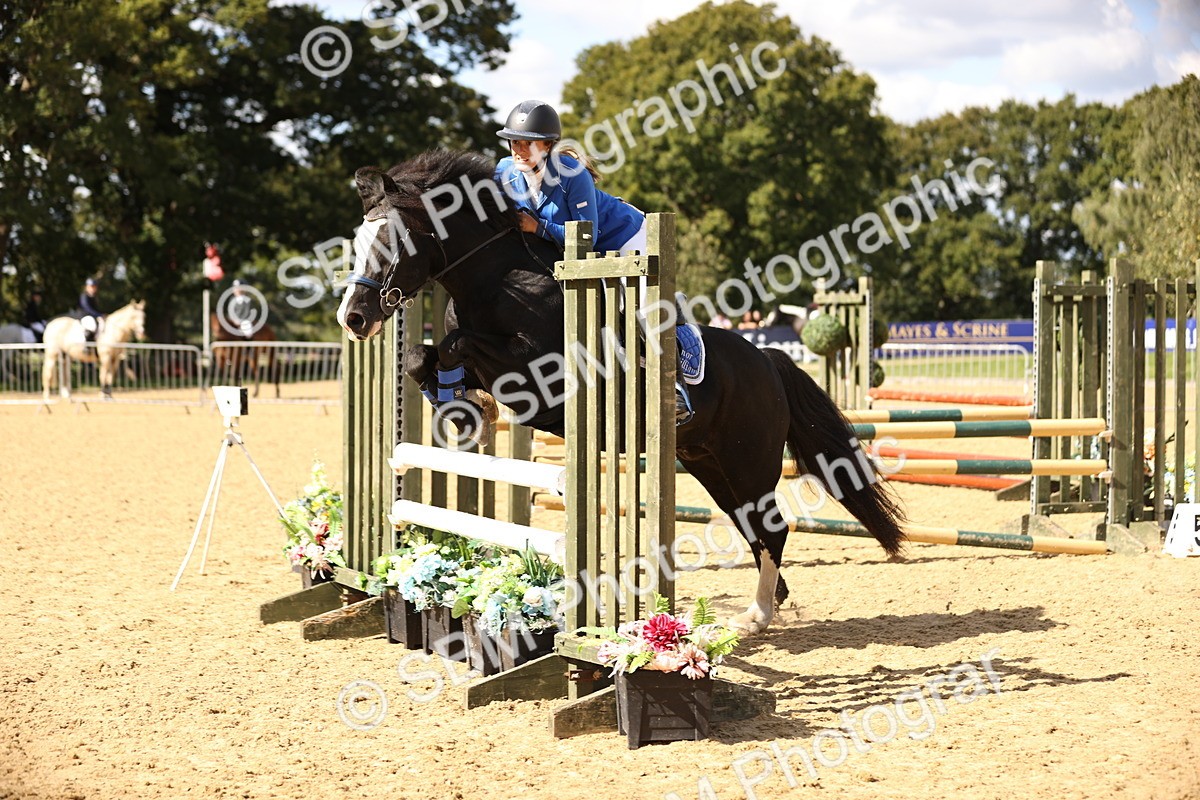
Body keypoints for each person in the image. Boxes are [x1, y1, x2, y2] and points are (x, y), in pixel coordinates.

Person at [493, 100, 695, 424]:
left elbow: (587, 235)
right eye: (514, 142)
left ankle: (675, 389)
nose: (518, 150)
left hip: (625, 239)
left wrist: (537, 227)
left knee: (642, 307)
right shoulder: (504, 172)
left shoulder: (571, 175)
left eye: (527, 143)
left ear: (548, 146)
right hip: (573, 252)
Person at [78, 278, 105, 342]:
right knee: (92, 325)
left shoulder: (94, 296)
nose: (93, 289)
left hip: (93, 315)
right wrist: (99, 315)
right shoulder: (84, 296)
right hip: (85, 316)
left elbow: (96, 309)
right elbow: (87, 308)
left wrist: (102, 314)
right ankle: (89, 344)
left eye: (94, 287)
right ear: (87, 287)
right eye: (91, 287)